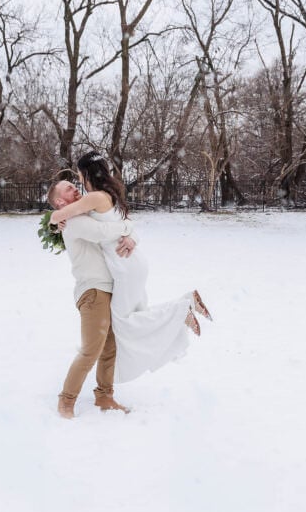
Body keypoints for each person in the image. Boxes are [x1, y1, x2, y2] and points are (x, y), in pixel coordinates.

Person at [50, 151, 212, 388]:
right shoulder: (108, 195)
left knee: (123, 323)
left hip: (123, 264)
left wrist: (56, 218)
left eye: (78, 176)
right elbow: (111, 221)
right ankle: (183, 306)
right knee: (132, 318)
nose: (77, 183)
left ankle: (181, 309)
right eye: (69, 185)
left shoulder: (93, 198)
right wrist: (128, 229)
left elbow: (63, 215)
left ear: (87, 174)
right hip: (131, 261)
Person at [48, 177, 136, 419]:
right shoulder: (74, 222)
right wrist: (128, 228)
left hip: (106, 288)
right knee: (91, 350)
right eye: (68, 188)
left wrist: (130, 234)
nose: (75, 188)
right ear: (59, 200)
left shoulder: (84, 216)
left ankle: (104, 396)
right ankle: (66, 401)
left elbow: (113, 226)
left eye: (74, 185)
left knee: (109, 348)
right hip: (93, 291)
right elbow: (102, 233)